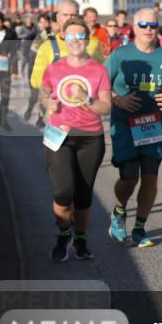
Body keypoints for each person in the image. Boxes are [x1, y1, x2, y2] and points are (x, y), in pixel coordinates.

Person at [105, 8, 162, 248]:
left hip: (152, 125)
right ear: (134, 27)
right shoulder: (120, 55)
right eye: (144, 25)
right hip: (125, 125)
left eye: (153, 25)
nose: (149, 29)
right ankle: (118, 212)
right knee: (129, 178)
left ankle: (139, 229)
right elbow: (100, 86)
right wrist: (118, 99)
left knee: (150, 178)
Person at [40, 16, 112, 262]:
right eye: (70, 36)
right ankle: (63, 234)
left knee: (83, 195)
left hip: (90, 137)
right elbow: (44, 94)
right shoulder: (54, 68)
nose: (75, 41)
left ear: (87, 39)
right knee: (63, 191)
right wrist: (45, 102)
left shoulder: (98, 70)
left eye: (80, 36)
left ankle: (80, 238)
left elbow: (106, 108)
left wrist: (86, 98)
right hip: (58, 135)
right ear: (64, 37)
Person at [30, 0, 106, 92]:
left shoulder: (93, 43)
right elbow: (35, 81)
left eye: (73, 15)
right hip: (57, 102)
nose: (69, 18)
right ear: (58, 17)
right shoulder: (47, 46)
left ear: (79, 17)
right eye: (65, 15)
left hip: (86, 101)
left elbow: (103, 76)